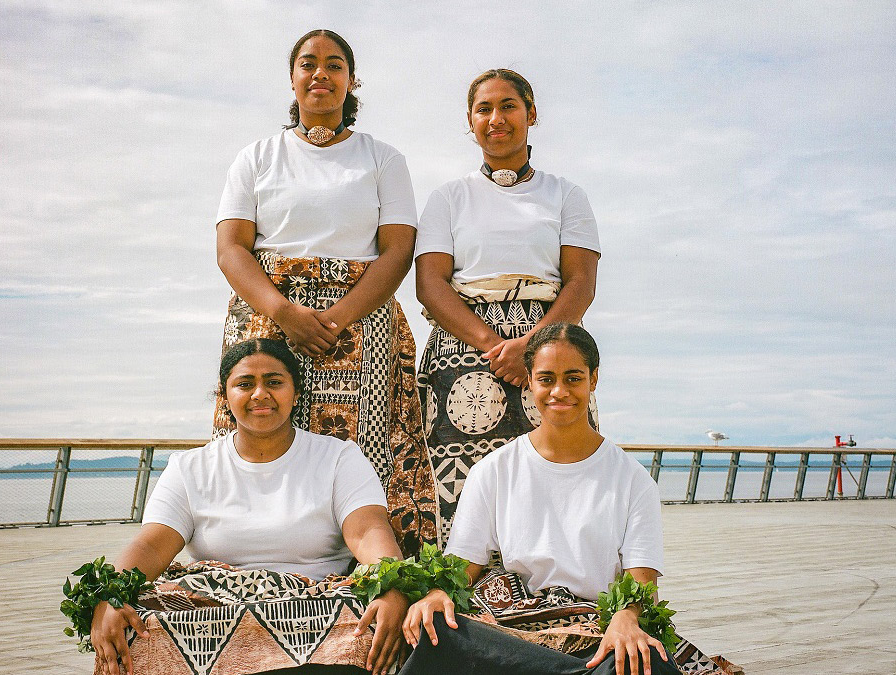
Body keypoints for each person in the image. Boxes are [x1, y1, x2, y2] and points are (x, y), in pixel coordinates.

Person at [213, 29, 436, 556]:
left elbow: (398, 250)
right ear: (292, 79)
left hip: (363, 319)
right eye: (308, 64)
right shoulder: (257, 157)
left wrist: (336, 318)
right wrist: (283, 312)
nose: (321, 75)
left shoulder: (382, 159)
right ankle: (261, 556)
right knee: (264, 431)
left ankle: (371, 572)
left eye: (334, 65)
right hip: (268, 317)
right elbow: (231, 249)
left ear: (351, 80)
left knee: (366, 447)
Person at [90, 339, 409, 675]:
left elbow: (367, 531)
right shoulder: (189, 467)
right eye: (244, 384)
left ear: (296, 393)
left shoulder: (338, 457)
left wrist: (393, 587)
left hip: (316, 609)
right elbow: (152, 545)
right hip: (212, 610)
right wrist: (110, 595)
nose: (260, 394)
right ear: (225, 397)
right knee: (131, 629)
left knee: (363, 627)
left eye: (274, 382)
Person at [399, 324, 689, 675]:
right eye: (547, 379)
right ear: (531, 381)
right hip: (511, 629)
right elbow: (463, 566)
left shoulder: (632, 479)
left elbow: (642, 582)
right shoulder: (494, 470)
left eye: (573, 378)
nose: (559, 391)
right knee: (439, 630)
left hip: (595, 632)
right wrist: (436, 594)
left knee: (648, 660)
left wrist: (626, 618)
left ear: (593, 380)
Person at [414, 69, 601, 540]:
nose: (496, 119)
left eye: (508, 106)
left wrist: (533, 346)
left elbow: (581, 282)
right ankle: (463, 598)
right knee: (462, 483)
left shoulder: (565, 194)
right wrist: (496, 345)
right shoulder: (449, 197)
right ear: (470, 122)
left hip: (550, 349)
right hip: (462, 351)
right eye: (483, 109)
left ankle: (557, 594)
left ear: (531, 113)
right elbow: (430, 284)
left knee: (555, 470)